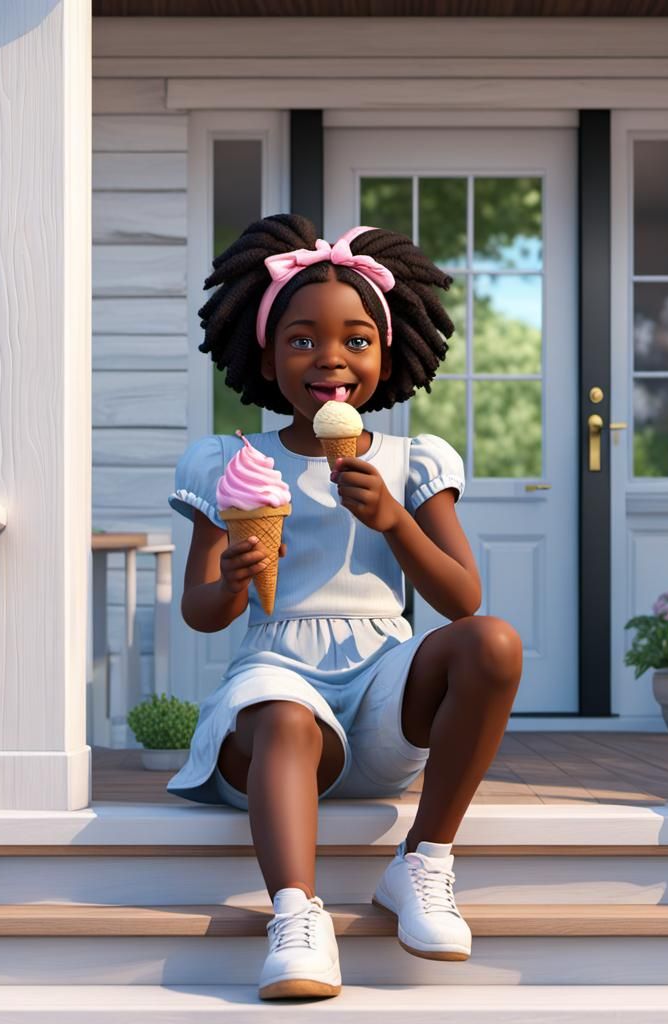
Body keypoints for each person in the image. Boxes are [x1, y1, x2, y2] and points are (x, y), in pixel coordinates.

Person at [166, 214, 523, 1000]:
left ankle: (423, 864)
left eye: (356, 340)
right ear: (266, 356)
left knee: (493, 642)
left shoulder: (410, 460)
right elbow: (199, 608)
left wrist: (395, 520)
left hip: (384, 699)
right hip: (277, 699)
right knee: (285, 715)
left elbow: (462, 599)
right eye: (302, 340)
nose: (330, 357)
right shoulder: (231, 461)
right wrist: (233, 582)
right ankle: (296, 917)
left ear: (387, 356)